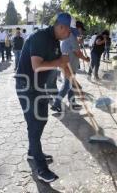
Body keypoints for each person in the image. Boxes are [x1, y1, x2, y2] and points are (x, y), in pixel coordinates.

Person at [15, 12, 73, 183]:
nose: (70, 35)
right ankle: (41, 168)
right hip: (26, 87)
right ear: (61, 27)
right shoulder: (40, 37)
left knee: (41, 120)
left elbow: (62, 63)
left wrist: (71, 78)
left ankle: (33, 152)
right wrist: (60, 61)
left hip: (39, 87)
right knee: (34, 124)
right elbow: (37, 66)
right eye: (69, 31)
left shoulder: (55, 41)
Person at [51, 20, 90, 112]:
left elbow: (72, 46)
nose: (81, 32)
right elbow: (77, 53)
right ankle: (56, 104)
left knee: (70, 85)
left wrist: (78, 42)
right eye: (81, 29)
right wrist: (86, 59)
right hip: (69, 65)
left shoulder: (69, 35)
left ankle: (72, 103)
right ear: (77, 28)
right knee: (67, 85)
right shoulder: (71, 36)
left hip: (67, 64)